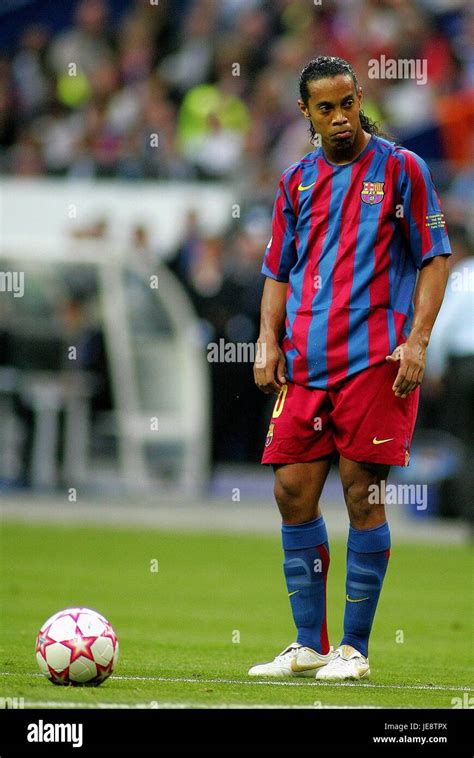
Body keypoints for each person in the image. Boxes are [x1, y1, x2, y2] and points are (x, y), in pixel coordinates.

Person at [251, 56, 451, 681]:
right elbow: (278, 270)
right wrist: (267, 339)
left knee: (361, 493)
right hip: (307, 361)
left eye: (348, 104)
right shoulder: (295, 182)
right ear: (306, 113)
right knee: (290, 491)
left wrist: (417, 340)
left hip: (376, 359)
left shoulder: (401, 169)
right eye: (326, 108)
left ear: (360, 99)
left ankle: (355, 649)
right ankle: (308, 643)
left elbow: (435, 257)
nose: (341, 118)